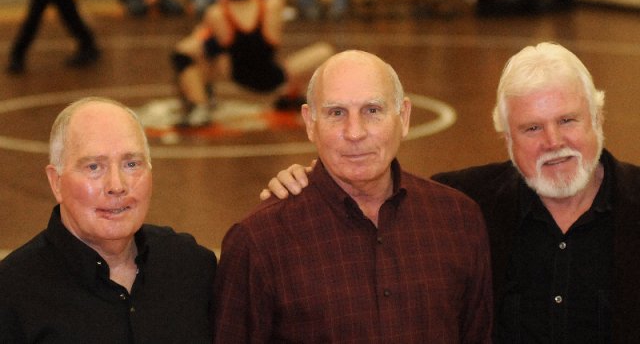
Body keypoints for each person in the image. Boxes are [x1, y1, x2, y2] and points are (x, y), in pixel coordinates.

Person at [261, 42, 640, 343]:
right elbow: (371, 198)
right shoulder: (462, 206)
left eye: (568, 120)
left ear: (598, 118)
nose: (553, 142)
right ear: (507, 138)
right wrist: (313, 182)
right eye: (532, 129)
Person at [213, 50, 493, 342]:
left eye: (372, 110)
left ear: (403, 117)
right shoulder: (259, 242)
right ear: (310, 123)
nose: (355, 132)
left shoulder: (458, 220)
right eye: (336, 113)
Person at [0, 97, 217, 342]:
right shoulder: (11, 293)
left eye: (131, 164)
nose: (116, 185)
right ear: (56, 182)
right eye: (94, 167)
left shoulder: (191, 267)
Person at [171, 0, 334, 126]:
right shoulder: (271, 5)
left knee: (185, 54)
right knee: (324, 51)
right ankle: (290, 94)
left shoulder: (217, 14)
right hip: (273, 77)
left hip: (236, 75)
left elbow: (192, 45)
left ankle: (199, 104)